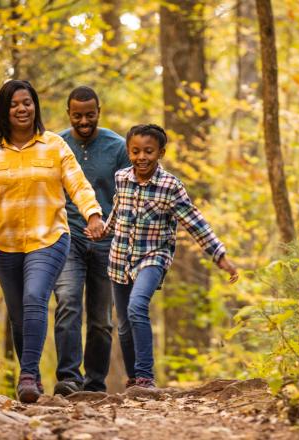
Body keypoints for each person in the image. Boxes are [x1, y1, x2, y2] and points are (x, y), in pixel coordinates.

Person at [0, 80, 104, 403]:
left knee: (34, 298)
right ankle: (33, 376)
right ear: (4, 109)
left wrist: (93, 215)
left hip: (49, 238)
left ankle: (27, 376)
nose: (22, 108)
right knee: (19, 316)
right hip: (7, 245)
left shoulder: (54, 145)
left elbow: (78, 185)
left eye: (27, 102)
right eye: (14, 104)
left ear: (35, 106)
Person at [91, 123, 238, 389]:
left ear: (161, 153)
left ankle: (145, 377)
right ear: (128, 151)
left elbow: (195, 222)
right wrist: (104, 230)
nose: (141, 157)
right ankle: (134, 377)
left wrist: (219, 255)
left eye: (148, 151)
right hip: (120, 257)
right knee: (123, 326)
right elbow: (117, 211)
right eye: (135, 151)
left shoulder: (170, 186)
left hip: (153, 257)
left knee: (137, 307)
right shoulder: (122, 178)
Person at [52, 86, 130, 396]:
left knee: (101, 319)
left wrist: (116, 229)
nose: (84, 121)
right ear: (68, 114)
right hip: (67, 238)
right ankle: (69, 378)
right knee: (68, 303)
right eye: (77, 115)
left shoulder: (118, 146)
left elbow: (129, 194)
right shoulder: (57, 145)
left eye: (89, 114)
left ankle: (95, 384)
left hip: (107, 242)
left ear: (99, 111)